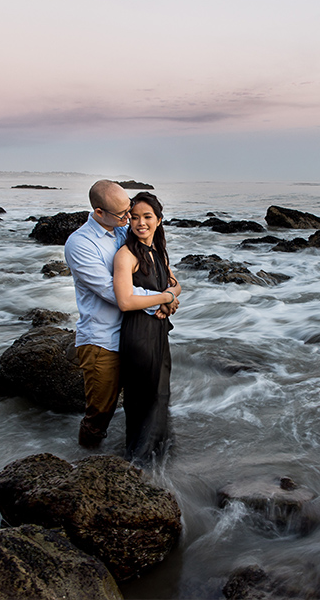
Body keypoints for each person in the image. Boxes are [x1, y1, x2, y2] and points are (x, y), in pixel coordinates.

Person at [64, 180, 179, 448]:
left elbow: (156, 266)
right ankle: (86, 463)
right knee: (100, 412)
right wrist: (162, 301)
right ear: (99, 212)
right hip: (102, 339)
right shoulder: (80, 244)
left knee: (143, 401)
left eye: (129, 210)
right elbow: (114, 293)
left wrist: (172, 293)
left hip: (135, 335)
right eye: (123, 214)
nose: (130, 218)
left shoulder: (121, 229)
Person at [113, 192, 181, 463]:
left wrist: (172, 297)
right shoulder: (126, 255)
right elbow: (125, 301)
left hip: (159, 333)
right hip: (138, 334)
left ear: (159, 220)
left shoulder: (158, 252)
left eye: (147, 217)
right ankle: (137, 459)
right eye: (135, 217)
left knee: (160, 392)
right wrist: (165, 298)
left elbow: (176, 283)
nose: (141, 223)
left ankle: (158, 454)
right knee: (142, 398)